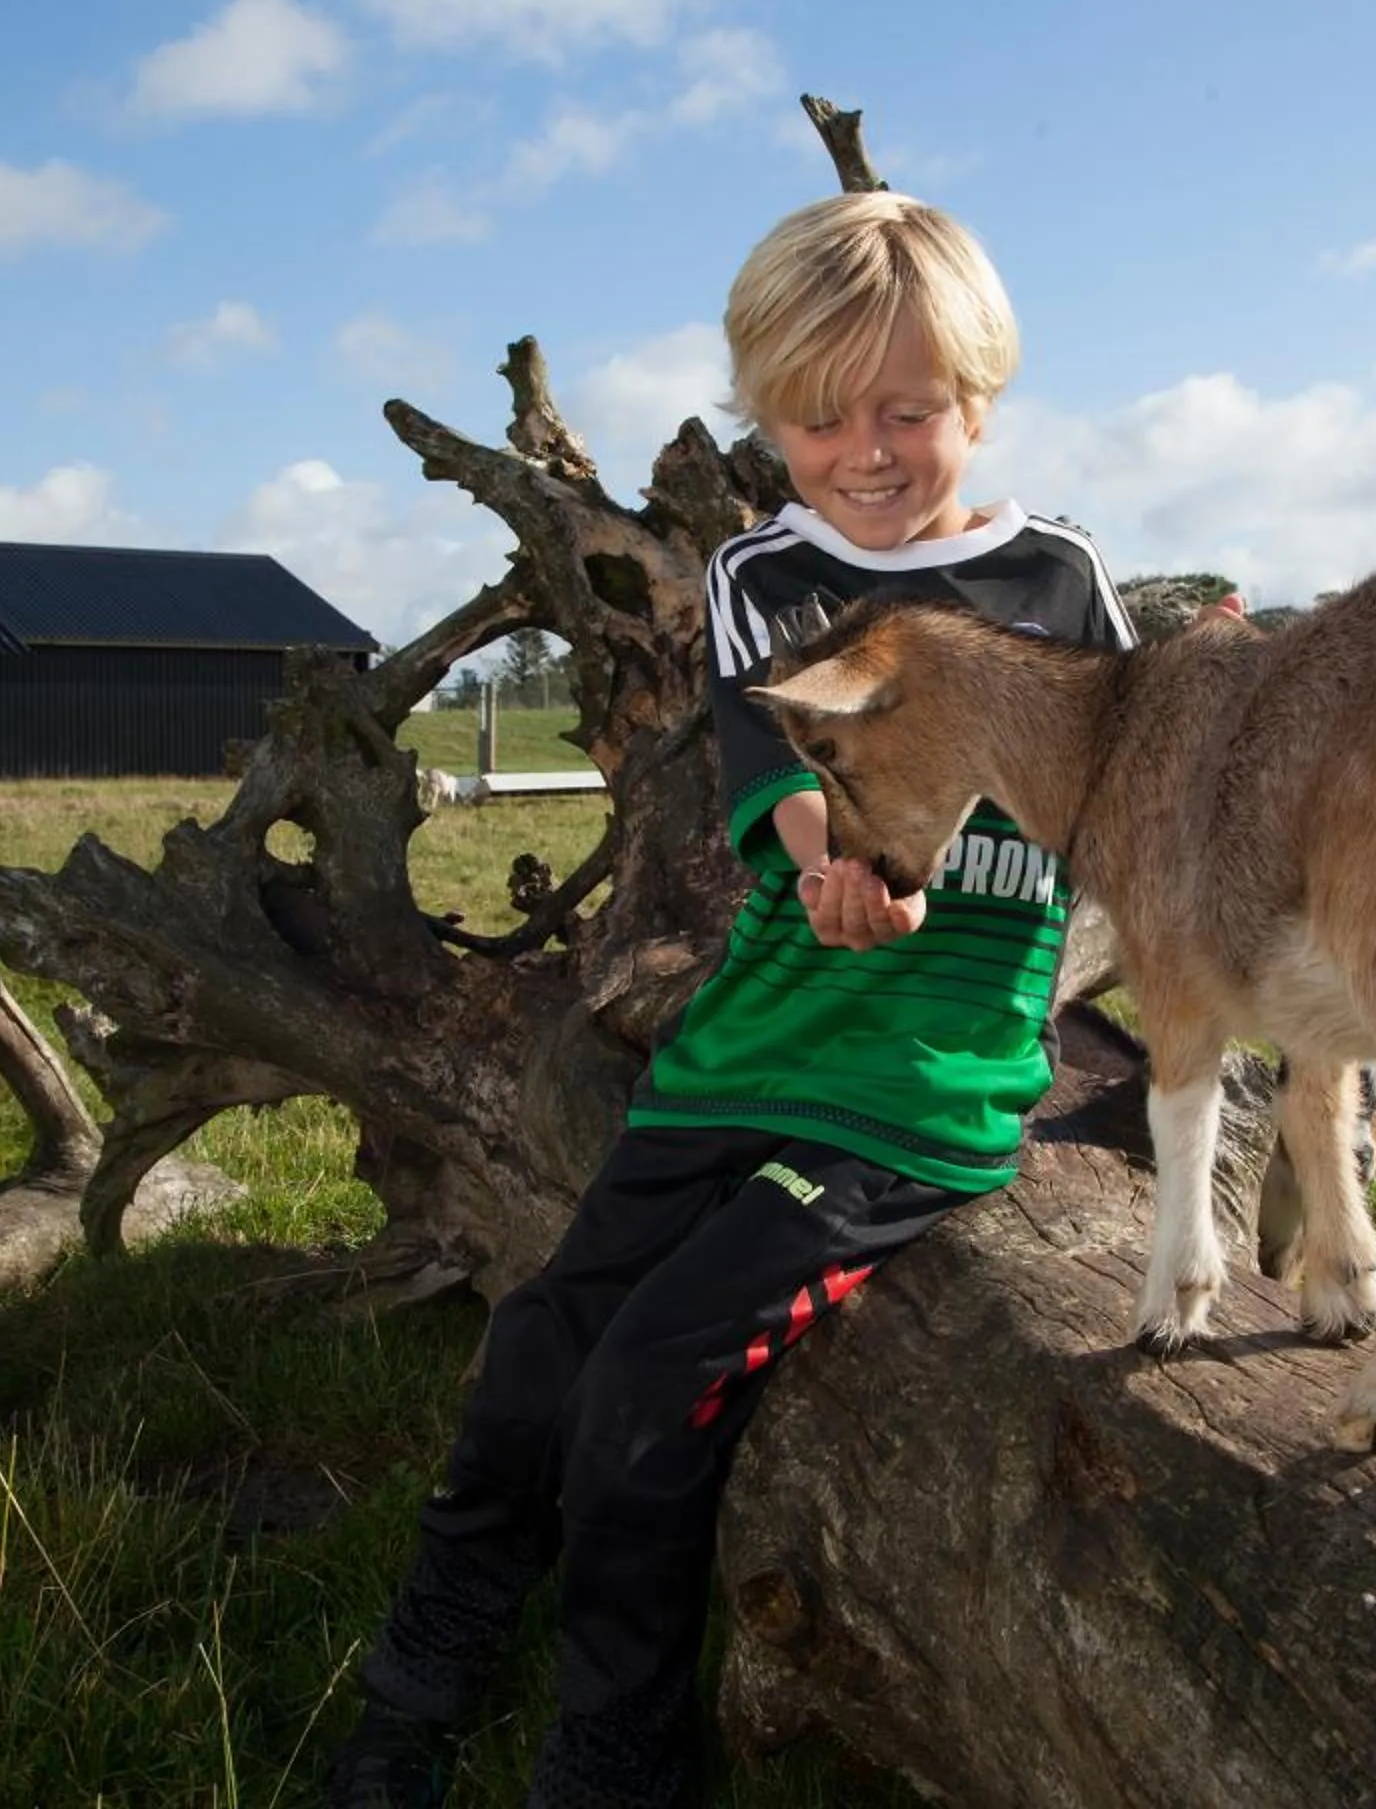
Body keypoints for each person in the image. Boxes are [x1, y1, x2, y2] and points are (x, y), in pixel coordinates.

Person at [323, 191, 1136, 1809]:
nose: (867, 448)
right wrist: (839, 859)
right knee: (544, 1346)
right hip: (747, 1048)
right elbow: (782, 784)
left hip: (921, 1088)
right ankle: (434, 1655)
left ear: (979, 396)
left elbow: (1106, 815)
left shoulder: (1061, 591)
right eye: (817, 415)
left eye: (907, 408)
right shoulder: (768, 571)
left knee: (647, 1389)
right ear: (768, 418)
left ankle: (618, 1754)